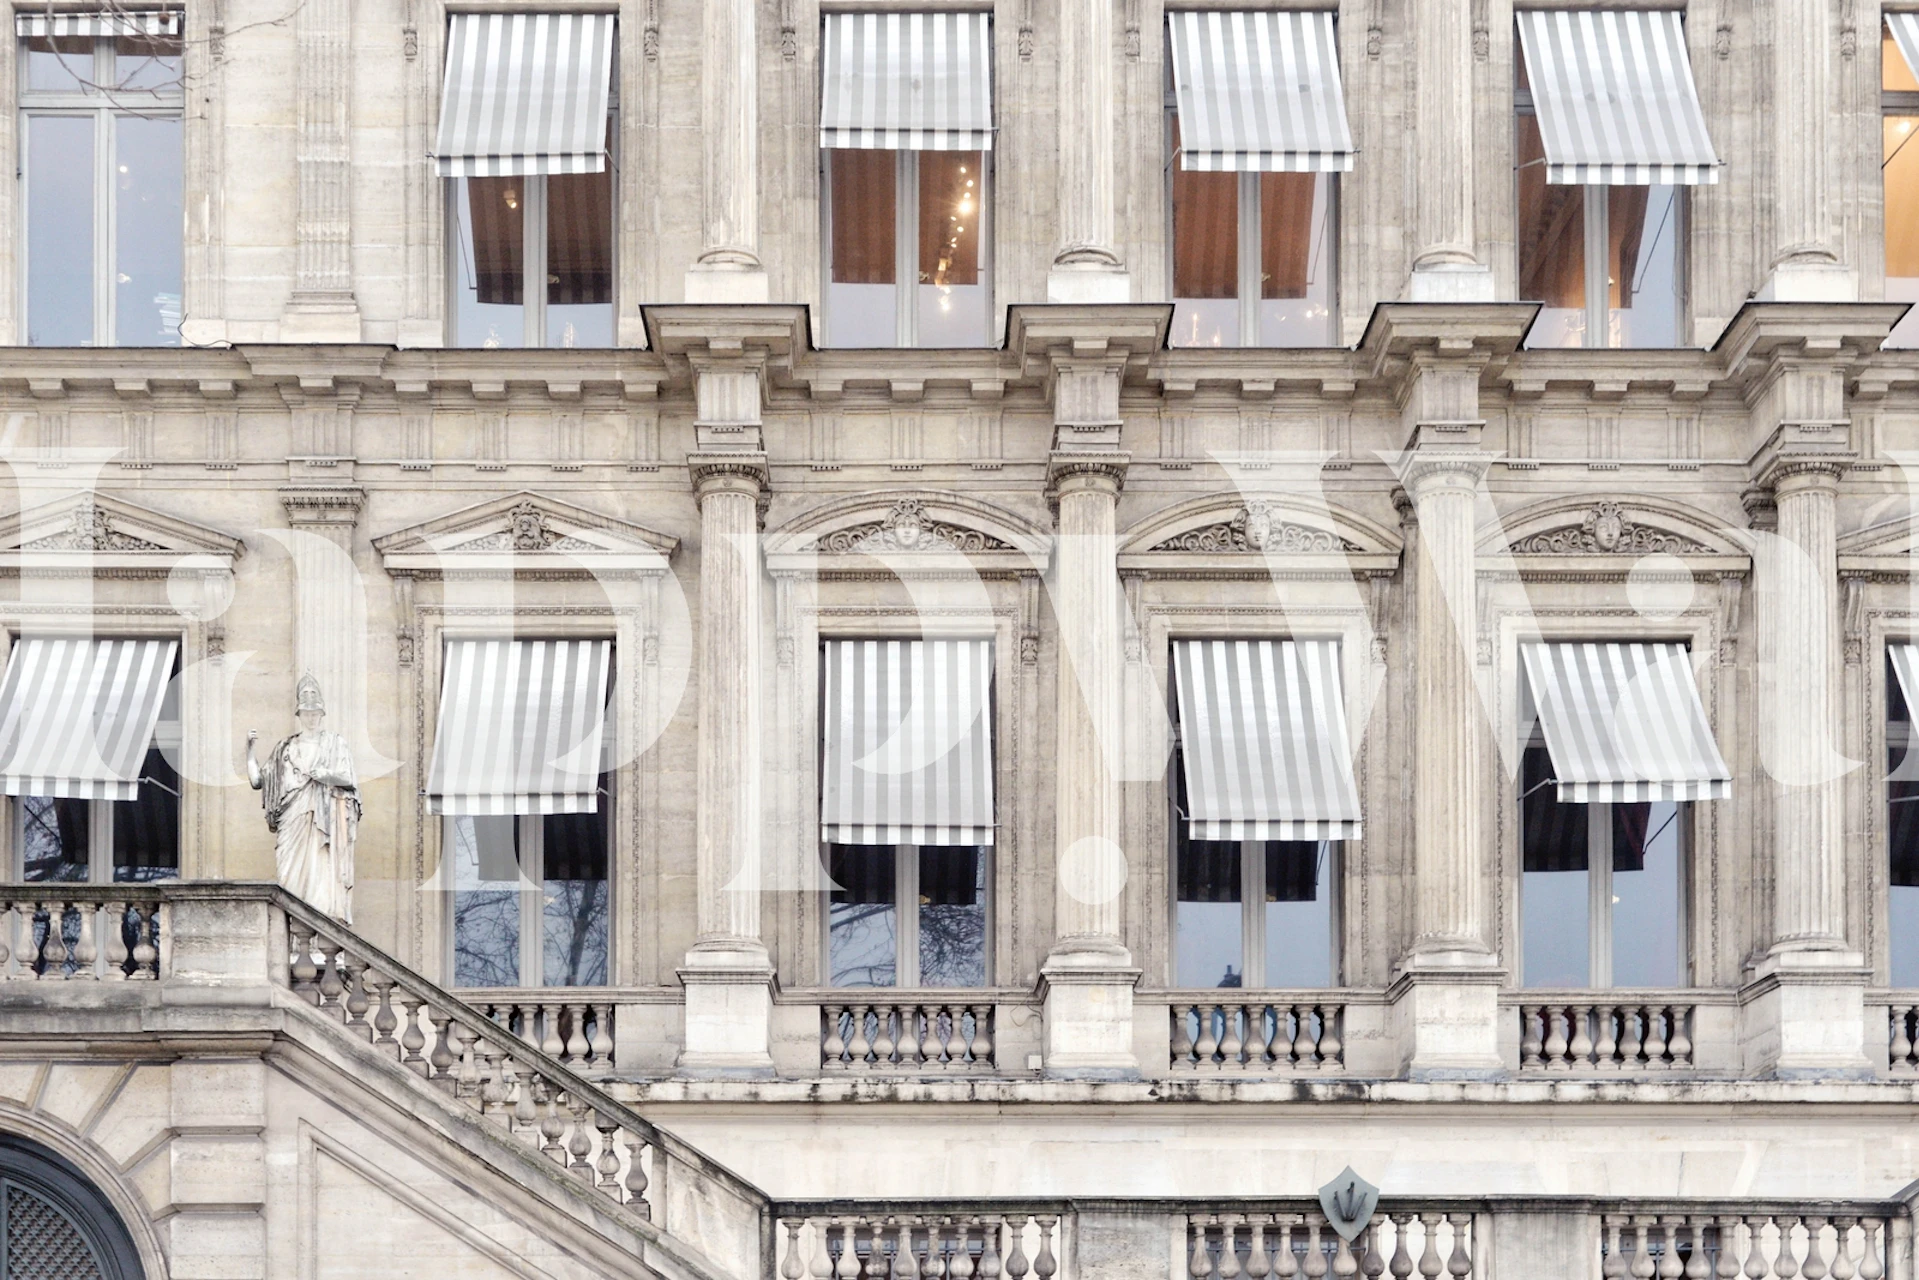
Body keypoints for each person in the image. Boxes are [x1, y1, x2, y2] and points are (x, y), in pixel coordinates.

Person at [247, 673, 360, 921]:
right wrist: (250, 750)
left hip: (322, 815)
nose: (311, 718)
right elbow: (257, 781)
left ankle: (320, 922)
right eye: (307, 713)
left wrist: (326, 775)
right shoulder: (285, 749)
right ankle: (292, 928)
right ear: (299, 715)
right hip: (292, 817)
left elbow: (349, 779)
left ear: (321, 714)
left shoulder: (335, 744)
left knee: (321, 868)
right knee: (288, 872)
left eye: (315, 713)